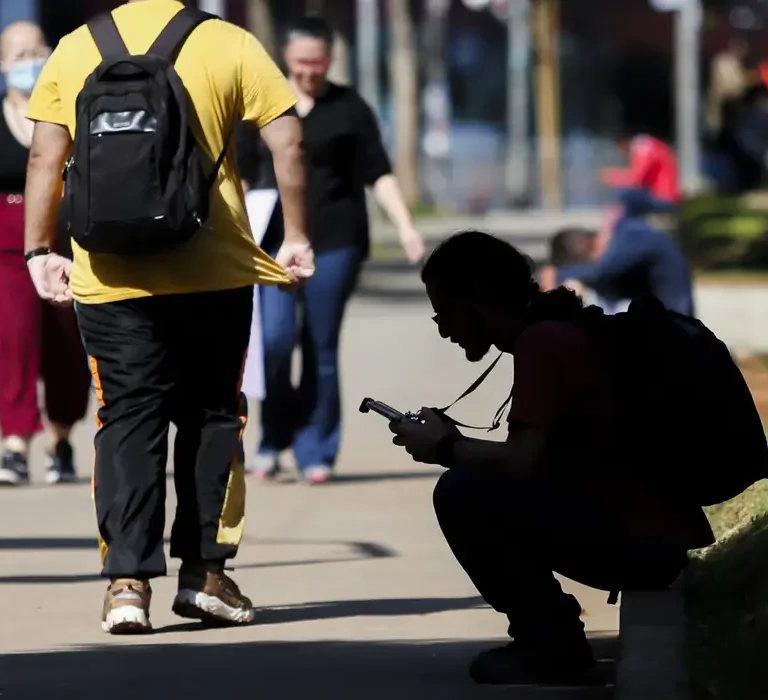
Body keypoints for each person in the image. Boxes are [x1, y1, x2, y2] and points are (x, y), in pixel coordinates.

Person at [24, 0, 313, 634]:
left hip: (109, 273)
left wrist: (39, 249)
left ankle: (126, 584)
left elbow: (46, 158)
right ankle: (205, 575)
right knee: (213, 414)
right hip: (214, 268)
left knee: (126, 417)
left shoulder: (76, 47)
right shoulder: (228, 42)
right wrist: (295, 235)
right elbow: (288, 139)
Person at [389, 230, 714, 686]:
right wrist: (454, 443)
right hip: (653, 538)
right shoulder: (555, 331)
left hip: (641, 543)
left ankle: (551, 646)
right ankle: (549, 637)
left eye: (445, 313)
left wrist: (445, 448)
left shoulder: (544, 343)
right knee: (473, 484)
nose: (443, 329)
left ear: (479, 301)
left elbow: (521, 463)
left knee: (462, 493)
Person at [242, 15, 425, 484]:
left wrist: (405, 226)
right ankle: (271, 439)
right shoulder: (262, 102)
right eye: (301, 62)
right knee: (275, 342)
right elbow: (239, 174)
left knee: (320, 345)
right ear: (286, 57)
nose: (309, 71)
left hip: (336, 242)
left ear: (329, 59)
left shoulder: (348, 108)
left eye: (318, 62)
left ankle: (316, 449)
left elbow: (377, 172)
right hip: (272, 245)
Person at [0, 20, 91, 487]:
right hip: (6, 244)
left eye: (37, 52)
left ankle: (60, 438)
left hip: (64, 235)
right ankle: (15, 442)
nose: (28, 63)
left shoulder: (69, 111)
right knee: (14, 340)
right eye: (18, 56)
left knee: (67, 344)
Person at [541, 192, 695, 317]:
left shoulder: (632, 234)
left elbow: (602, 271)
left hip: (675, 327)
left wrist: (556, 274)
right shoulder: (637, 232)